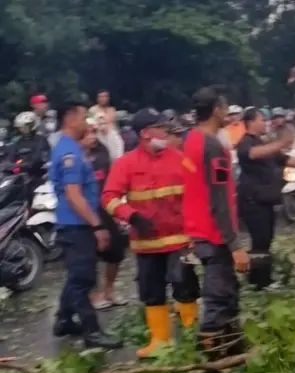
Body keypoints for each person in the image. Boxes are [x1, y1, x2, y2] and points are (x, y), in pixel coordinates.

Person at [102, 108, 200, 359]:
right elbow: (109, 197)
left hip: (180, 241)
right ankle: (160, 341)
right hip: (146, 244)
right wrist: (131, 215)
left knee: (185, 288)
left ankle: (190, 337)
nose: (166, 131)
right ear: (145, 133)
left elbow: (197, 191)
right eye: (161, 127)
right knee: (152, 291)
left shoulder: (180, 158)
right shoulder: (126, 164)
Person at [49, 100, 123, 349]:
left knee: (75, 276)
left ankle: (64, 320)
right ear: (70, 119)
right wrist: (97, 225)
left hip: (76, 224)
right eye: (83, 118)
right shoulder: (69, 152)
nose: (87, 123)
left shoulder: (70, 147)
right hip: (77, 225)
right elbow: (74, 195)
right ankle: (92, 332)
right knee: (83, 279)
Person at [183, 86, 249, 359]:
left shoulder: (191, 140)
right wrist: (235, 245)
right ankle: (212, 363)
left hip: (199, 230)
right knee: (218, 298)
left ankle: (233, 349)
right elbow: (218, 199)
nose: (227, 113)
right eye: (225, 108)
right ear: (215, 110)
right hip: (214, 235)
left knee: (228, 294)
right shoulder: (213, 147)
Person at [236, 107, 295, 290]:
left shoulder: (263, 143)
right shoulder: (246, 143)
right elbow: (254, 154)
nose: (265, 123)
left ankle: (260, 278)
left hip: (266, 200)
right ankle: (260, 282)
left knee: (266, 239)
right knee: (260, 240)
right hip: (252, 201)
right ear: (251, 122)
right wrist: (282, 142)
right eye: (262, 120)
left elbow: (286, 160)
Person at [83, 118, 128, 311]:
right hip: (84, 211)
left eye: (95, 132)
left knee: (116, 250)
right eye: (89, 132)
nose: (93, 136)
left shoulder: (102, 151)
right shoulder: (74, 156)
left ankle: (109, 291)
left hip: (104, 207)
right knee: (88, 255)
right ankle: (93, 295)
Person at [8, 111, 50, 197]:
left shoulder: (41, 140)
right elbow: (10, 158)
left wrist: (20, 166)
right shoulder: (18, 142)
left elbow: (38, 160)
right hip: (19, 177)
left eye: (25, 126)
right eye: (20, 127)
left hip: (37, 176)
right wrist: (9, 166)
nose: (22, 129)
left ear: (32, 125)